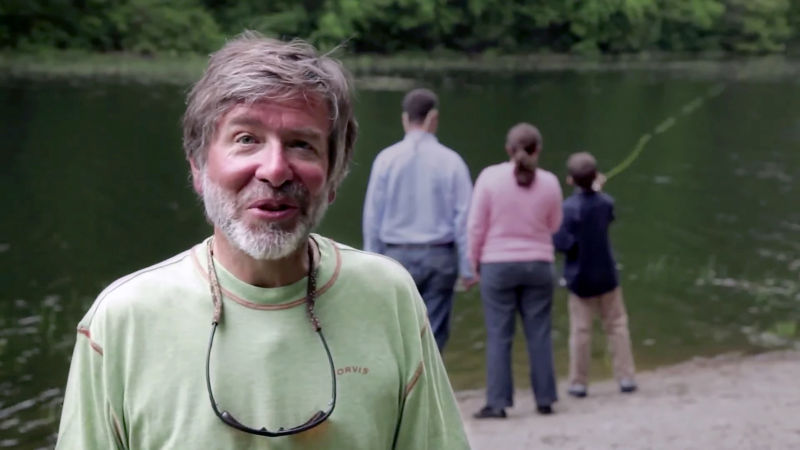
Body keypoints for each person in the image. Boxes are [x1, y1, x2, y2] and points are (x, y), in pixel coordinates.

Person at [56, 32, 470, 450]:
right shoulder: (122, 321)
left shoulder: (389, 297)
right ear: (198, 165)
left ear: (335, 175)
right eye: (246, 139)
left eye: (301, 144)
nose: (275, 170)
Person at [362, 88, 475, 352]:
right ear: (433, 117)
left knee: (397, 331)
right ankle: (430, 388)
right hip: (439, 257)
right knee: (433, 334)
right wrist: (467, 266)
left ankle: (402, 389)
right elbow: (464, 219)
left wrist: (370, 263)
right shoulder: (451, 161)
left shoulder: (386, 160)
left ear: (405, 119)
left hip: (395, 257)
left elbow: (372, 217)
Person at [467, 123, 562, 418]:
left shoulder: (489, 178)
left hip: (497, 265)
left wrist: (472, 264)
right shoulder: (551, 183)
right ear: (538, 150)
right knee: (540, 333)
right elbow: (555, 224)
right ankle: (545, 399)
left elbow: (475, 226)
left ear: (508, 150)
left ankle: (498, 403)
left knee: (499, 335)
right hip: (539, 264)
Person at [553, 152, 637, 398]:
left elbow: (561, 243)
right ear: (596, 176)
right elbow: (605, 212)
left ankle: (579, 383)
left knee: (581, 331)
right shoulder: (606, 203)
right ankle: (626, 378)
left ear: (570, 181)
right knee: (617, 326)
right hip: (607, 277)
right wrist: (597, 191)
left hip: (580, 279)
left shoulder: (568, 209)